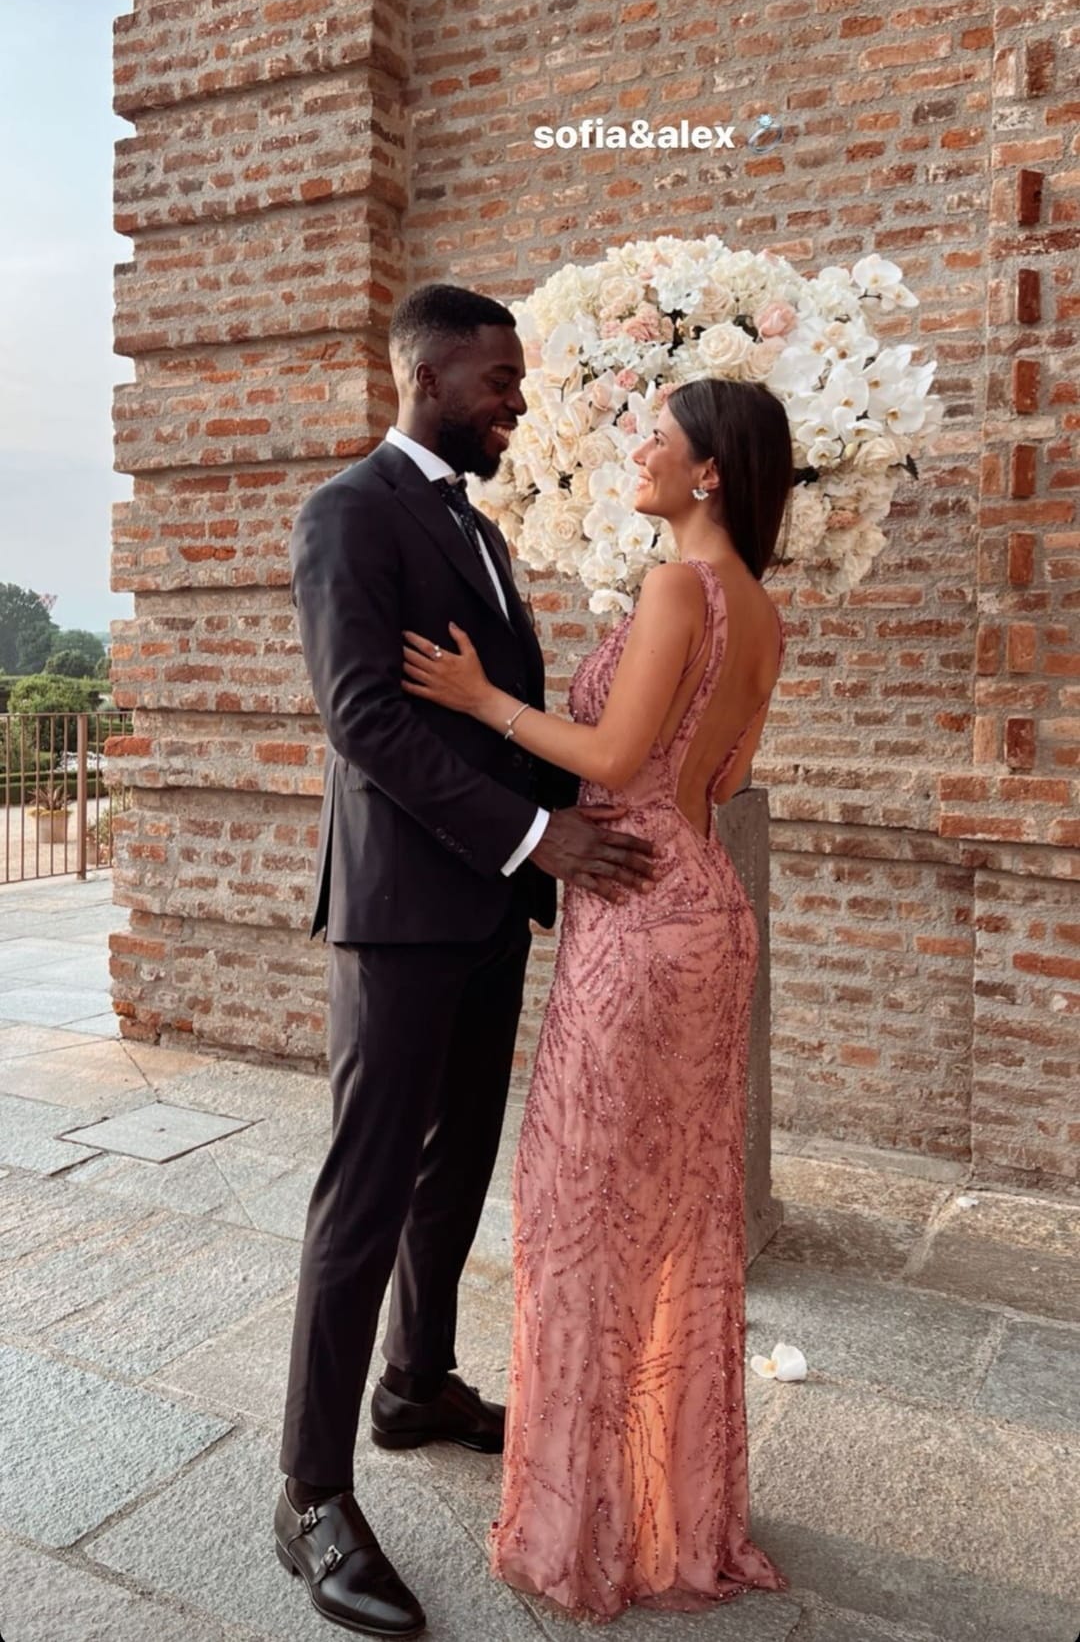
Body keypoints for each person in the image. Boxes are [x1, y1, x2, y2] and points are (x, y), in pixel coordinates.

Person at [275, 284, 657, 1638]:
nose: (515, 399)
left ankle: (415, 1383)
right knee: (363, 1195)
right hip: (399, 915)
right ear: (427, 372)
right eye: (497, 378)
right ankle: (310, 1489)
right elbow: (363, 718)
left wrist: (578, 807)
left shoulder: (477, 524)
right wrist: (534, 839)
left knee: (458, 1169)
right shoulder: (348, 512)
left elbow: (494, 715)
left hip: (491, 912)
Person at [401, 374, 794, 1621]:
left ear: (710, 472)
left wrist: (484, 702)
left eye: (658, 439)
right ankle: (675, 1509)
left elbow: (618, 760)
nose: (638, 451)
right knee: (675, 1221)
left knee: (583, 1218)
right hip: (707, 906)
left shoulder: (680, 586)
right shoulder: (765, 610)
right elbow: (719, 775)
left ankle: (586, 1529)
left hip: (634, 923)